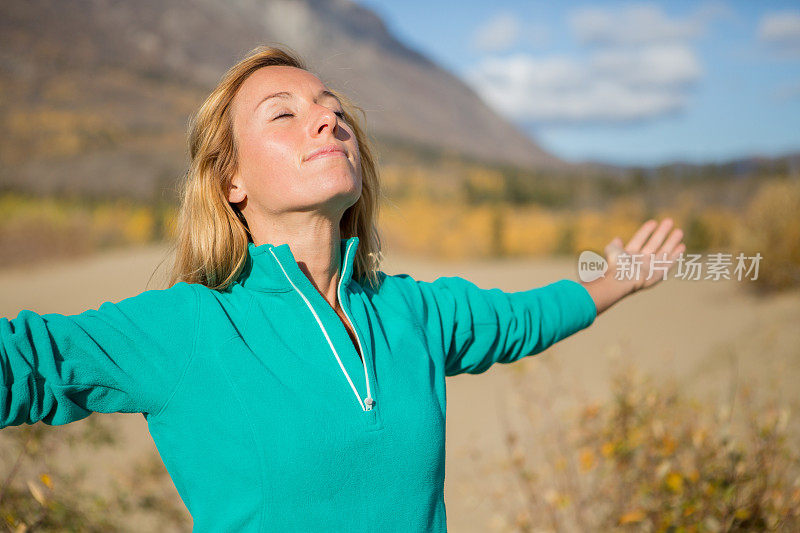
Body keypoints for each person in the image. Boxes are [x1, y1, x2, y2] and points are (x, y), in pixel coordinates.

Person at [0, 44, 685, 531]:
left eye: (333, 110)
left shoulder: (411, 309)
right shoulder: (190, 326)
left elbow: (517, 320)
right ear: (231, 180)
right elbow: (25, 361)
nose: (327, 119)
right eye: (283, 113)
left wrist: (613, 283)